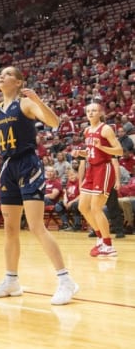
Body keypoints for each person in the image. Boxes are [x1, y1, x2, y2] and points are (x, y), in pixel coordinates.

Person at [0, 67, 78, 306]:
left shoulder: (25, 104)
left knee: (36, 226)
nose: (1, 76)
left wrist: (38, 100)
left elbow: (54, 122)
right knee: (10, 229)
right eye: (0, 74)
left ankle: (66, 281)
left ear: (19, 81)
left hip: (28, 165)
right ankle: (11, 280)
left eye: (7, 74)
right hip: (8, 168)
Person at [76, 102, 123, 257]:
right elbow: (91, 153)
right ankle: (100, 238)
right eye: (88, 110)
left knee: (96, 208)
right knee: (83, 207)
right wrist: (81, 153)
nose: (90, 113)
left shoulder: (106, 129)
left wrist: (102, 147)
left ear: (100, 113)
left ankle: (108, 246)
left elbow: (119, 151)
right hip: (92, 168)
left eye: (94, 110)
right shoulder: (87, 130)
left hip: (104, 168)